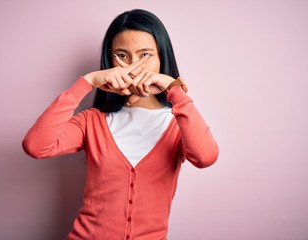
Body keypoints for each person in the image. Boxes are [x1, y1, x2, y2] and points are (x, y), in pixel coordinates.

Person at [22, 9, 219, 240]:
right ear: (109, 61)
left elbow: (205, 157)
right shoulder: (92, 121)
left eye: (145, 55)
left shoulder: (180, 123)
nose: (133, 67)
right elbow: (36, 146)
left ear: (162, 58)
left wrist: (174, 89)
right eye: (122, 56)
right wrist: (88, 81)